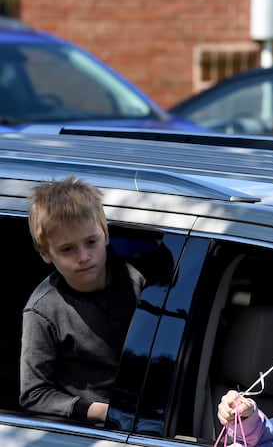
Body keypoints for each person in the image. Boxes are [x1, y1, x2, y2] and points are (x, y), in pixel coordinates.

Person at [19, 176, 145, 422]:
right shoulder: (43, 310)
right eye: (68, 249)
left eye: (91, 242)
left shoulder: (137, 282)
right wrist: (101, 411)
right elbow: (33, 394)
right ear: (45, 253)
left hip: (149, 412)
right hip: (88, 427)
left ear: (106, 234)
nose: (84, 256)